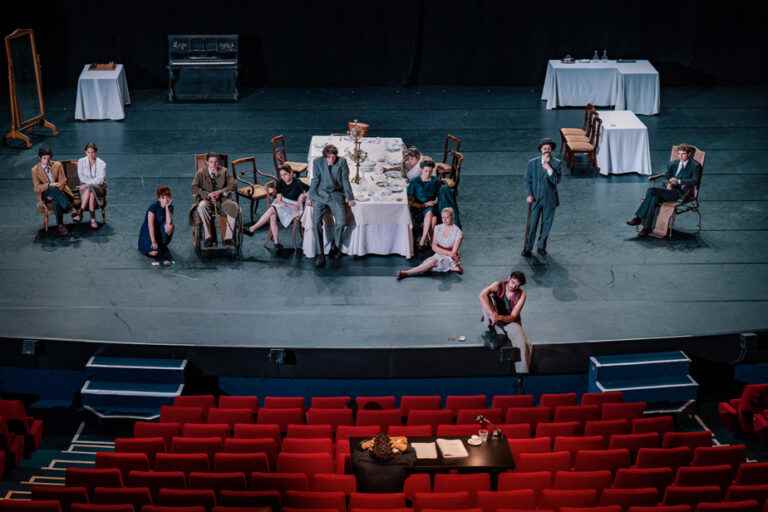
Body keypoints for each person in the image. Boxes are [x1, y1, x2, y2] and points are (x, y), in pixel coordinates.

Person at [626, 144, 702, 236]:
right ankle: (647, 228)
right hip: (668, 190)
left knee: (651, 191)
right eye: (679, 154)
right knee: (653, 198)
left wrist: (678, 181)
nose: (681, 156)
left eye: (683, 154)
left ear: (689, 154)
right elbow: (667, 175)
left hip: (681, 193)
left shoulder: (695, 166)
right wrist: (669, 182)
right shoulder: (674, 163)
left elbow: (695, 181)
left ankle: (638, 218)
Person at [309, 144, 355, 268]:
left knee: (341, 222)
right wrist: (311, 196)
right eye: (329, 157)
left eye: (334, 157)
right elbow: (315, 180)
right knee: (316, 222)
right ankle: (320, 254)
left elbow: (345, 181)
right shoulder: (317, 162)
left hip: (336, 194)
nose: (332, 159)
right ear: (325, 156)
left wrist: (350, 197)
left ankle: (335, 244)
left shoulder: (342, 162)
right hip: (321, 194)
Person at [243, 164, 308, 249]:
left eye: (285, 174)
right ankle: (276, 242)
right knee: (273, 213)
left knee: (272, 210)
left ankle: (253, 228)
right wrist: (281, 203)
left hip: (295, 208)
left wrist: (302, 197)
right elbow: (279, 198)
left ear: (291, 173)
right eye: (281, 175)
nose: (283, 177)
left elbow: (309, 191)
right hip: (283, 204)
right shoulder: (280, 182)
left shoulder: (297, 183)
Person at [479, 271, 532, 373]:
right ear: (508, 278)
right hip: (492, 317)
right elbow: (482, 295)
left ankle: (522, 375)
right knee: (487, 299)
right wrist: (492, 314)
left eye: (517, 285)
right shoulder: (498, 285)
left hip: (509, 321)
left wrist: (499, 318)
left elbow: (513, 316)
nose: (513, 286)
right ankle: (496, 332)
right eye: (512, 282)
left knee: (523, 345)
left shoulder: (522, 295)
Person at [397, 207, 463, 279]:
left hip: (450, 258)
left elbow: (453, 253)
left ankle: (406, 273)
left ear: (452, 217)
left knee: (432, 262)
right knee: (426, 263)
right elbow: (433, 247)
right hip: (440, 254)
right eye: (443, 217)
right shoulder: (438, 228)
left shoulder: (458, 232)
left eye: (447, 217)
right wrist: (442, 251)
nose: (444, 220)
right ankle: (452, 267)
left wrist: (443, 251)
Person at [523, 138, 562, 257]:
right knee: (532, 224)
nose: (547, 151)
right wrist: (529, 194)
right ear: (541, 150)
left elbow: (556, 181)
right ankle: (528, 248)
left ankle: (541, 247)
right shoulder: (532, 163)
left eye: (549, 149)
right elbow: (527, 180)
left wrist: (549, 168)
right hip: (535, 199)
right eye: (545, 149)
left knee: (546, 225)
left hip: (549, 200)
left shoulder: (556, 163)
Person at [191, 153, 238, 247]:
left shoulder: (224, 171)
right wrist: (207, 194)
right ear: (207, 162)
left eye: (216, 162)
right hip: (207, 200)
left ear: (219, 163)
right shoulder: (201, 173)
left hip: (222, 200)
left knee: (233, 206)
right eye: (211, 162)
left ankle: (228, 238)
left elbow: (233, 185)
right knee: (201, 206)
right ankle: (208, 237)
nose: (214, 164)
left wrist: (220, 192)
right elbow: (194, 188)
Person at [31, 146, 73, 235]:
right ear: (40, 158)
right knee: (52, 188)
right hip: (45, 193)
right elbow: (36, 188)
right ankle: (70, 208)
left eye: (48, 158)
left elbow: (63, 180)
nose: (46, 160)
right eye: (44, 158)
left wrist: (56, 191)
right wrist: (49, 185)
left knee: (56, 201)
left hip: (59, 192)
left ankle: (60, 226)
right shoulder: (35, 170)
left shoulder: (57, 165)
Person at [408, 160, 442, 248]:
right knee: (432, 217)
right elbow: (410, 200)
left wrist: (435, 201)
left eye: (430, 171)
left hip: (432, 206)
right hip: (418, 207)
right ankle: (429, 239)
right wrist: (424, 205)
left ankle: (423, 239)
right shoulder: (415, 182)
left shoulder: (436, 181)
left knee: (431, 213)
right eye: (426, 171)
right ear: (422, 170)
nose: (428, 173)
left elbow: (440, 194)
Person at [138, 186, 174, 265]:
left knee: (170, 226)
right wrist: (153, 241)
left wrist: (167, 207)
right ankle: (158, 253)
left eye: (168, 197)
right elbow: (150, 226)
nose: (167, 199)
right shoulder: (153, 207)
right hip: (148, 234)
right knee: (154, 253)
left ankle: (163, 245)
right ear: (159, 198)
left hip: (159, 233)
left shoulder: (170, 207)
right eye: (164, 197)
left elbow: (169, 223)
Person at [76, 142, 107, 229]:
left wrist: (88, 184)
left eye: (92, 152)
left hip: (98, 188)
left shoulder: (102, 163)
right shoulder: (81, 161)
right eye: (88, 152)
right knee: (91, 193)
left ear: (95, 152)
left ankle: (80, 212)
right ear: (85, 152)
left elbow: (100, 180)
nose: (90, 154)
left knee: (91, 188)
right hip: (85, 189)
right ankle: (93, 220)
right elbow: (81, 177)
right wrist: (89, 184)